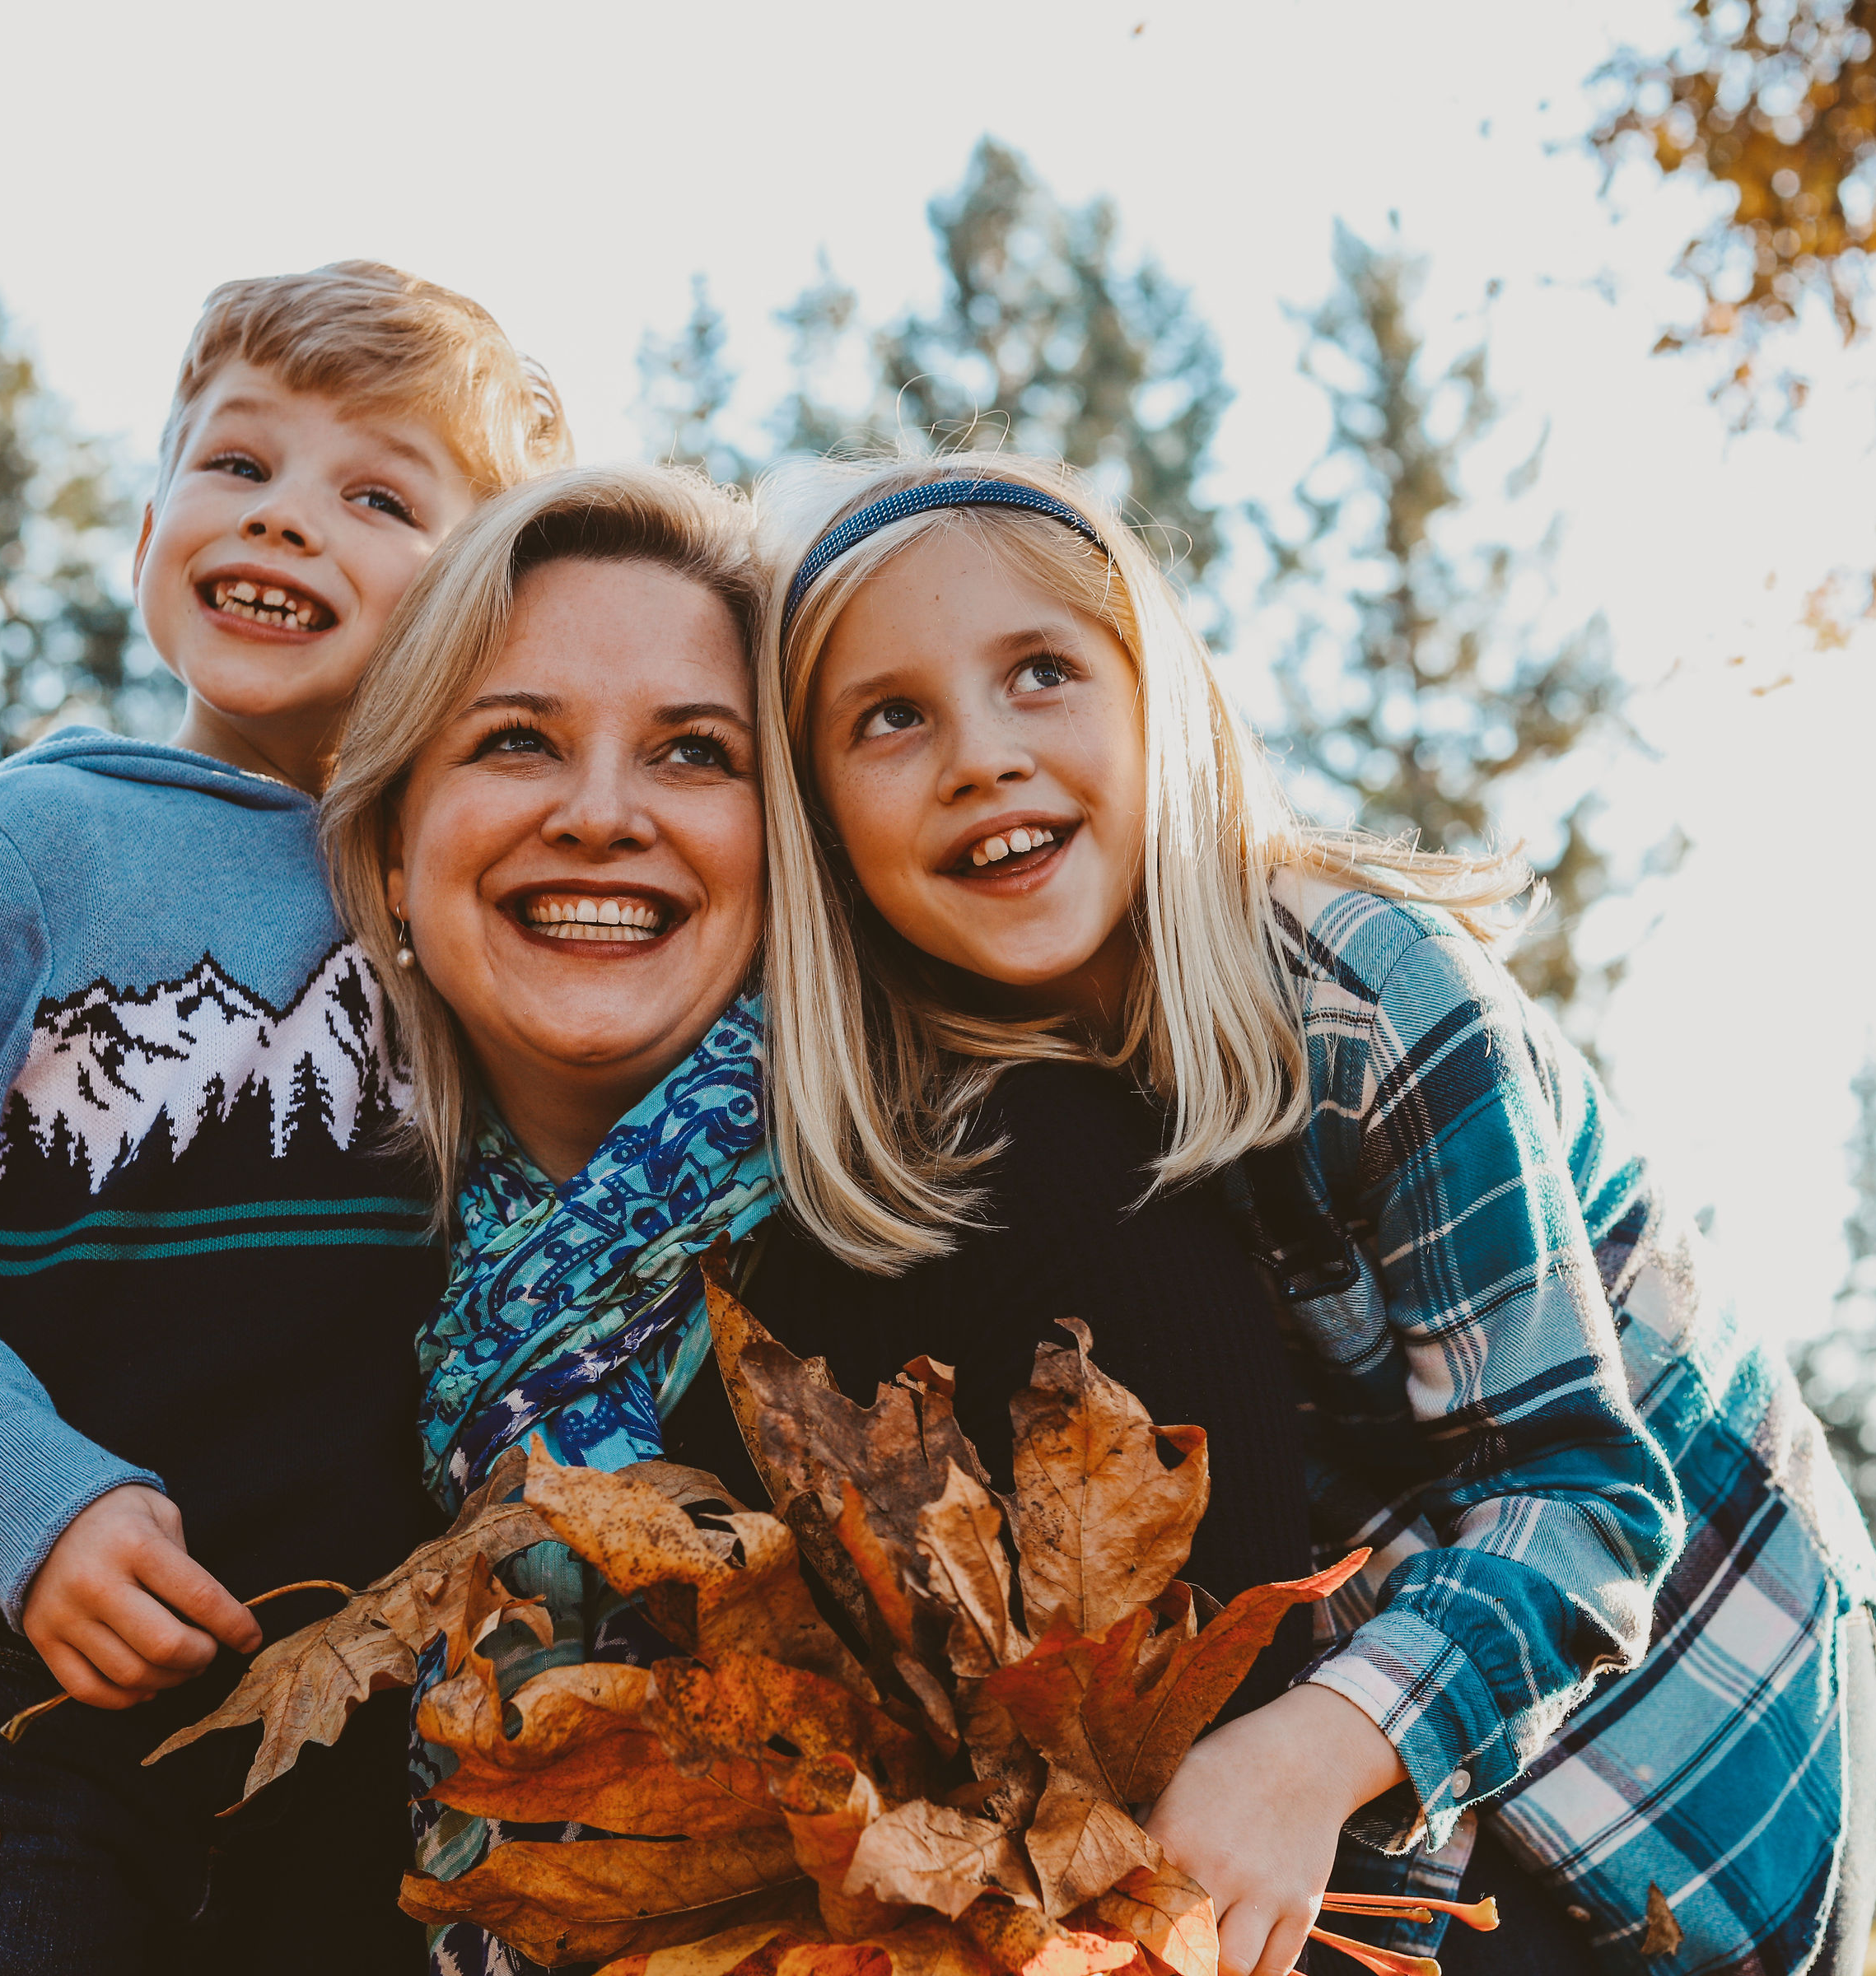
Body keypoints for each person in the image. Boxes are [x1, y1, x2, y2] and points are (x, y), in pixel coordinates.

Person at [754, 453, 1876, 1976]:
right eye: (890, 717)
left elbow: (1584, 1502)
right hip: (1431, 1750)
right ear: (817, 814)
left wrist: (1313, 1748)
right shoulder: (954, 1102)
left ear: (1160, 700)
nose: (981, 756)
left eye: (1041, 671)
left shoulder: (1368, 1003)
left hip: (1695, 1729)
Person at [318, 461, 1319, 1975]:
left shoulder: (1008, 1176)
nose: (601, 816)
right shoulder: (312, 1277)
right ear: (395, 847)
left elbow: (1242, 1828)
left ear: (796, 841)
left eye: (692, 755)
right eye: (517, 742)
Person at [0, 260, 571, 1972]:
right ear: (152, 511)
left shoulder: (466, 898)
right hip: (3, 1697)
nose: (288, 520)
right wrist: (36, 1504)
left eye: (378, 494)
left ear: (480, 594)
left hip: (353, 1710)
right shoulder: (31, 847)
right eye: (236, 466)